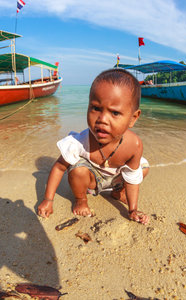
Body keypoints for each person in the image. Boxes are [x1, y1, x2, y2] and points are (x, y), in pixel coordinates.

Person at [37, 69, 150, 224]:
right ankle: (81, 199)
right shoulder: (80, 141)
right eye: (96, 108)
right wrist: (48, 200)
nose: (102, 119)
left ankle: (118, 193)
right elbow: (59, 167)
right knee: (77, 169)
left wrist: (133, 209)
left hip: (116, 179)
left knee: (142, 168)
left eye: (115, 113)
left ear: (133, 118)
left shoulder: (134, 145)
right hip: (92, 182)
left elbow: (131, 179)